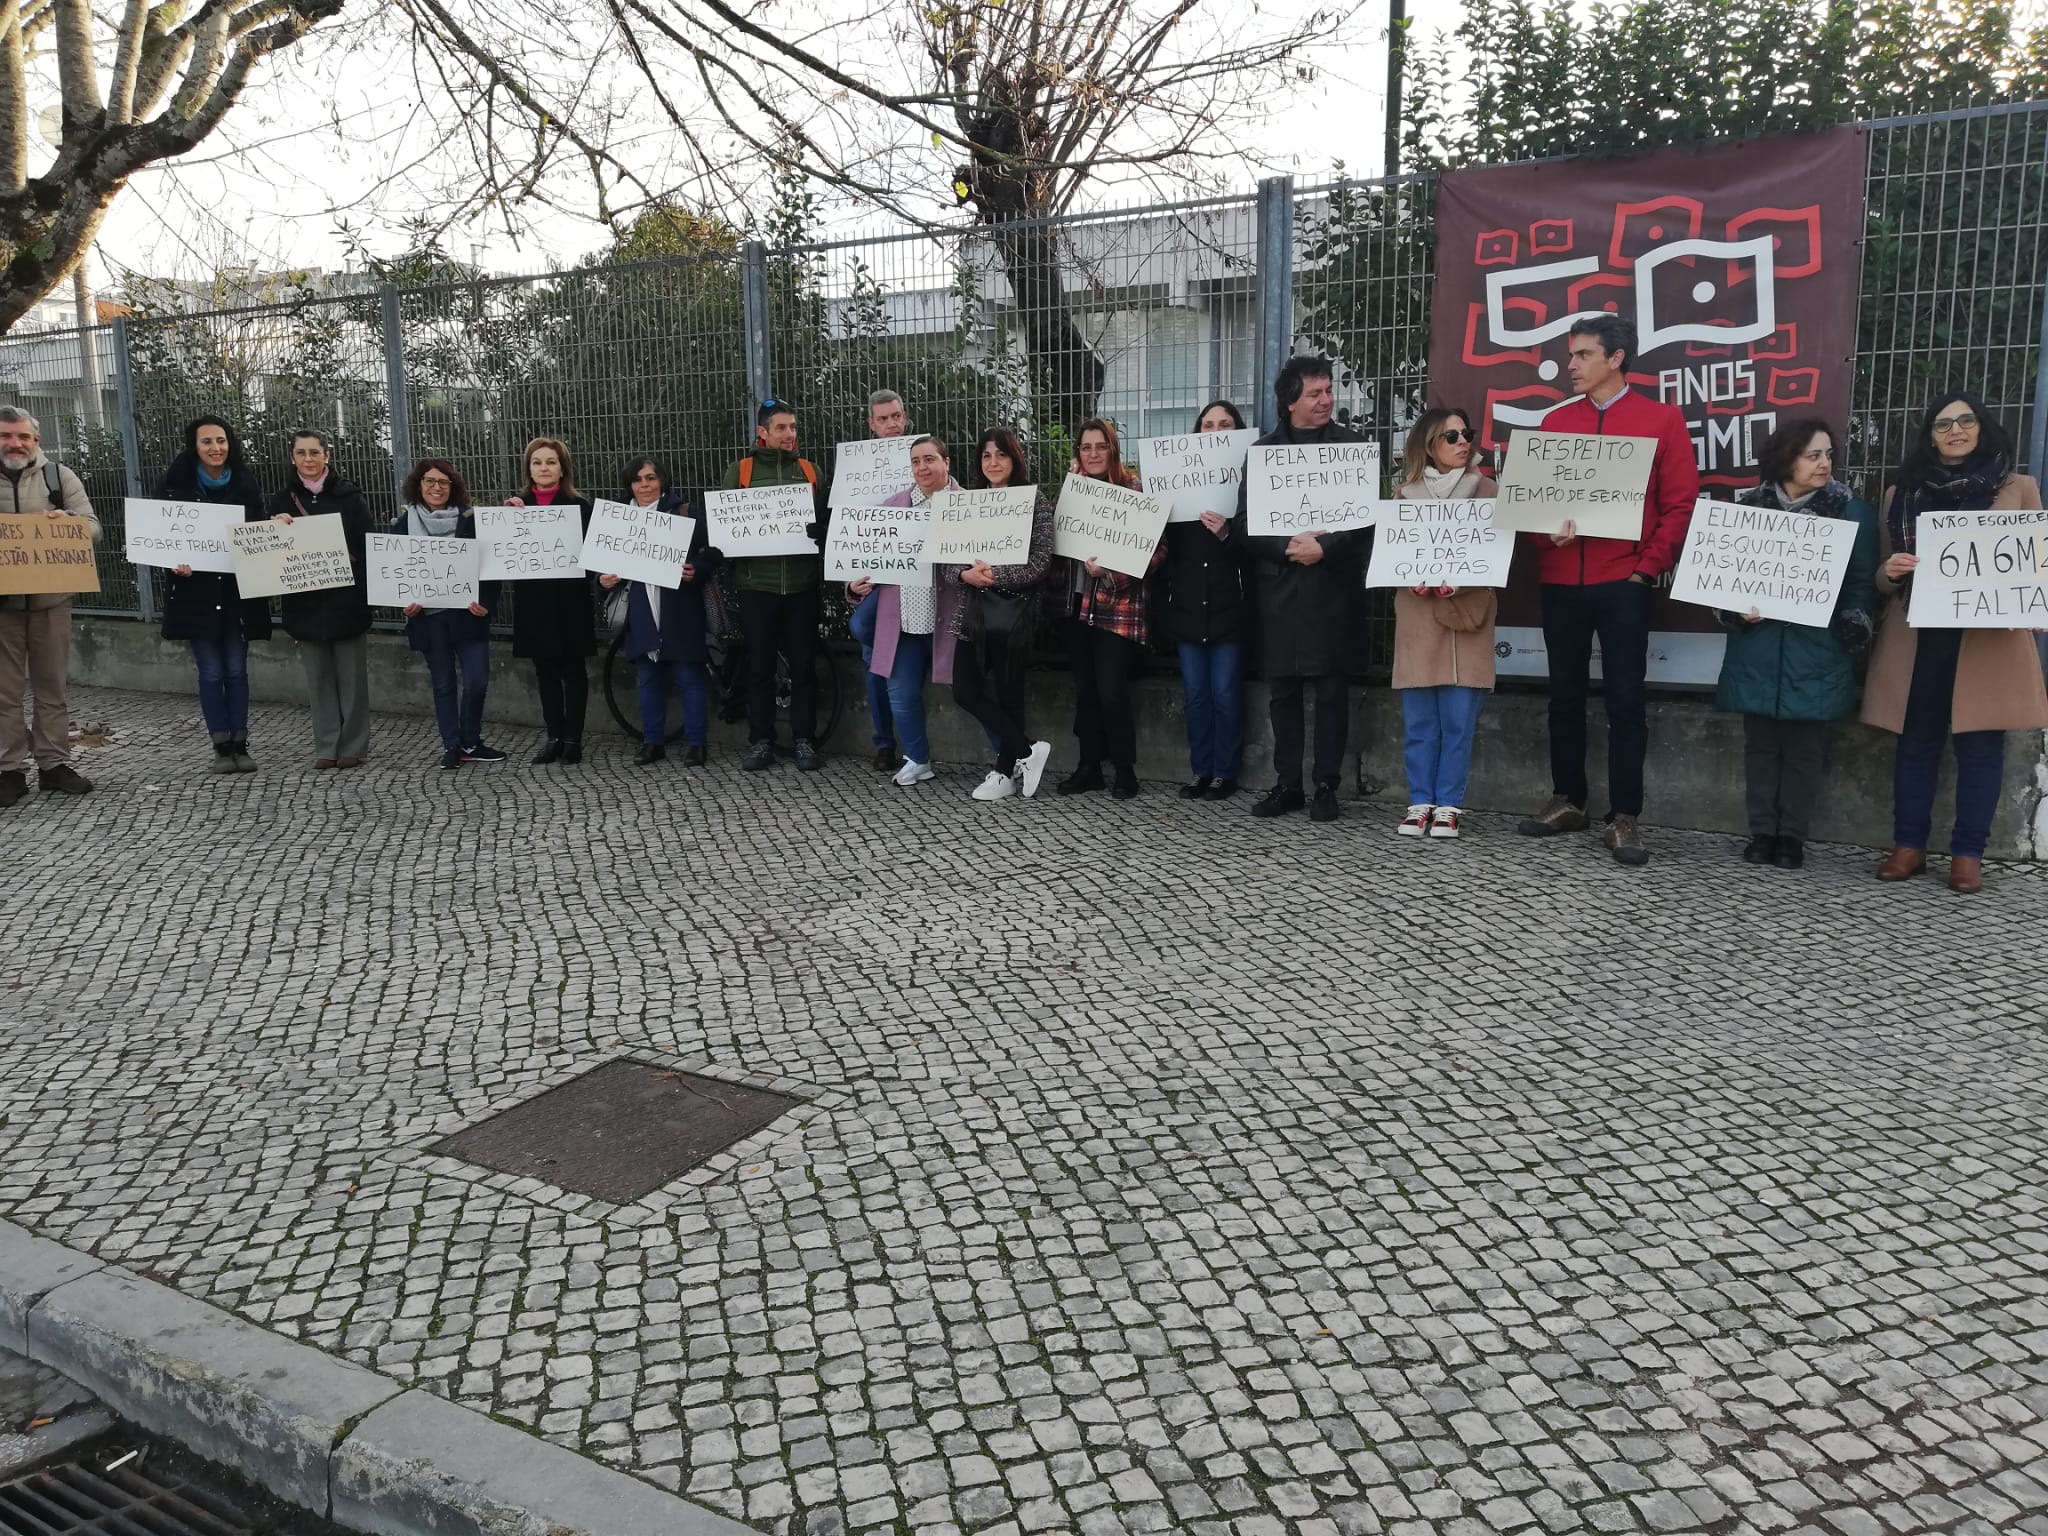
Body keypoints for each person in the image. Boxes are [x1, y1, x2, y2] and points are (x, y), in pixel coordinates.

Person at [1514, 315, 1697, 866]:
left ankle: (1625, 816)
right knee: (1564, 695)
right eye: (1571, 356)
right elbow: (1528, 504)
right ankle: (1568, 799)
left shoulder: (1661, 420)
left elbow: (1680, 504)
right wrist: (1544, 535)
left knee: (1625, 700)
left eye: (1584, 355)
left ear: (1616, 359)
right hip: (1561, 581)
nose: (1570, 365)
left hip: (1624, 582)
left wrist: (1646, 569)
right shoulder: (1555, 422)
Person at [1863, 393, 2047, 893]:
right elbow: (1881, 574)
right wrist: (1890, 571)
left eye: (1966, 420)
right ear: (1930, 433)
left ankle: (1969, 853)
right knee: (1915, 742)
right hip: (1918, 637)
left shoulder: (2018, 487)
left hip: (1986, 642)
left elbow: (2031, 564)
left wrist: (2033, 603)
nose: (1956, 429)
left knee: (1982, 747)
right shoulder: (1900, 492)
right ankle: (1908, 846)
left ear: (1983, 427)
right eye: (1943, 423)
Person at [1714, 420, 1878, 869]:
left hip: (1817, 649)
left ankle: (1792, 838)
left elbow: (1861, 583)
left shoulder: (1850, 512)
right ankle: (1761, 832)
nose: (1825, 464)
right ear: (1787, 458)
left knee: (1806, 750)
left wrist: (1850, 627)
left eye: (1828, 455)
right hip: (1759, 647)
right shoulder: (1748, 507)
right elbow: (1725, 580)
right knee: (1760, 747)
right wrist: (1733, 609)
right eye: (1813, 455)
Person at [1238, 357, 1368, 823]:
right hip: (1279, 592)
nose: (1326, 400)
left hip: (1332, 591)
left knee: (1332, 691)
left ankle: (1327, 786)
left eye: (1328, 390)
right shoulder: (1262, 452)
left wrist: (1325, 548)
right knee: (1283, 693)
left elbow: (1365, 519)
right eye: (1315, 393)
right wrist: (1287, 549)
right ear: (1290, 400)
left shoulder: (1351, 447)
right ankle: (1287, 783)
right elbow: (1245, 523)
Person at [1392, 408, 1497, 840]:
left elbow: (1496, 556)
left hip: (1468, 619)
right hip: (1418, 619)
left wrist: (1459, 582)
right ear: (1428, 443)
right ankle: (1420, 801)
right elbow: (1392, 557)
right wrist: (1409, 577)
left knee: (1458, 721)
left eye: (1466, 433)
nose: (1462, 442)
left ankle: (1449, 804)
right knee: (1419, 721)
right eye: (1451, 435)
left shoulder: (1489, 491)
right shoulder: (1404, 494)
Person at [945, 427, 1055, 802]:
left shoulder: (1035, 502)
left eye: (1001, 454)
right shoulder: (968, 503)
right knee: (965, 690)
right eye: (987, 455)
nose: (993, 462)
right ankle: (1027, 751)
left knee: (1009, 695)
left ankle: (1005, 771)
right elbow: (946, 559)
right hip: (972, 615)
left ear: (1015, 459)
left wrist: (996, 575)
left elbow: (1042, 561)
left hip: (1014, 614)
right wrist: (964, 573)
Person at [155, 415, 269, 774]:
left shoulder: (247, 485)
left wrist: (276, 530)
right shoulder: (173, 486)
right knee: (210, 672)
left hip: (238, 591)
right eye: (207, 442)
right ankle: (221, 746)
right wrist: (175, 563)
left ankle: (241, 742)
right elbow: (161, 538)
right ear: (194, 446)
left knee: (236, 670)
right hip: (196, 593)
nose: (216, 448)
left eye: (221, 440)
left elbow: (260, 533)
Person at [0, 405, 100, 806]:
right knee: (3, 692)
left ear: (36, 440)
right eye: (6, 436)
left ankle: (53, 764)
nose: (15, 443)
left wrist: (67, 521)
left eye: (23, 436)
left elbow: (94, 527)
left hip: (50, 600)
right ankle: (9, 769)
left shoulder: (59, 477)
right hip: (2, 604)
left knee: (51, 686)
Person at [721, 399, 827, 772]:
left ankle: (803, 740)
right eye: (781, 428)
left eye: (794, 427)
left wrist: (822, 531)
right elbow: (726, 526)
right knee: (760, 668)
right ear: (762, 433)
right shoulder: (742, 471)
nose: (790, 434)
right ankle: (761, 741)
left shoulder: (810, 471)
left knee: (803, 667)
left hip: (801, 585)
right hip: (757, 586)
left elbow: (826, 520)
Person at [1058, 418, 1160, 800]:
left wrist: (1112, 572)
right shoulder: (1074, 490)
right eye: (1086, 447)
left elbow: (1156, 551)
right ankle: (1089, 767)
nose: (1094, 454)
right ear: (1079, 453)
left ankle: (1124, 769)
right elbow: (1058, 538)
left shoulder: (1133, 489)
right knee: (1085, 690)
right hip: (1078, 607)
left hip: (1119, 609)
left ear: (1113, 449)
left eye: (1101, 446)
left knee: (1112, 690)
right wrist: (1071, 488)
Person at [602, 456, 720, 767]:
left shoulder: (684, 514)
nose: (645, 485)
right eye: (638, 479)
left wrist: (696, 568)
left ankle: (697, 744)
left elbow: (712, 553)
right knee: (647, 680)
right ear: (630, 484)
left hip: (679, 609)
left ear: (662, 481)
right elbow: (598, 564)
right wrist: (603, 578)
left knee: (689, 678)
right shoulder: (616, 520)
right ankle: (652, 742)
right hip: (641, 609)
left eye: (651, 478)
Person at [858, 435, 961, 787]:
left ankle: (1006, 758)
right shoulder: (893, 505)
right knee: (900, 696)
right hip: (905, 621)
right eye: (916, 461)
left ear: (947, 463)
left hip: (953, 621)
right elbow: (868, 561)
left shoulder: (969, 504)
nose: (922, 467)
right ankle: (918, 760)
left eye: (930, 459)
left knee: (976, 692)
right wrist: (853, 585)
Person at [1162, 400, 1251, 800]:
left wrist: (1228, 535)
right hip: (1187, 609)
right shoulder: (1178, 487)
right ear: (1197, 433)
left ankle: (1225, 772)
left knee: (1226, 693)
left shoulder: (1248, 486)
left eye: (1225, 425)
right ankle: (1201, 770)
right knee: (1196, 695)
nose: (1215, 431)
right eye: (1208, 425)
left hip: (1230, 609)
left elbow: (1257, 551)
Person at [270, 429, 372, 768]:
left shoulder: (350, 497)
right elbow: (269, 553)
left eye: (314, 452)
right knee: (319, 681)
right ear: (292, 457)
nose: (308, 459)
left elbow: (367, 545)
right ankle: (326, 745)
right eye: (301, 453)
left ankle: (353, 745)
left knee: (352, 681)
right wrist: (274, 528)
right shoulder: (281, 500)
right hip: (304, 604)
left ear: (326, 455)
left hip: (347, 600)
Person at [393, 459, 503, 771]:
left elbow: (491, 568)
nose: (436, 487)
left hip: (468, 614)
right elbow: (394, 572)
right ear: (419, 484)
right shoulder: (402, 526)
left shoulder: (471, 521)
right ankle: (452, 745)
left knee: (477, 680)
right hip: (428, 618)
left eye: (443, 482)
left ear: (453, 487)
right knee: (443, 684)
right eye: (430, 481)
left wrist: (486, 602)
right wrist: (404, 603)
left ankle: (471, 741)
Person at [504, 437, 596, 765]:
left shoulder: (581, 507)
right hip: (534, 603)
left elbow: (593, 556)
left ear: (562, 469)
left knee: (573, 670)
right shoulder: (515, 508)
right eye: (538, 462)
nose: (544, 468)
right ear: (529, 469)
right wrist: (507, 522)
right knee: (545, 672)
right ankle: (553, 736)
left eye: (551, 462)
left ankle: (573, 739)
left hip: (571, 601)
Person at [849, 388, 908, 771]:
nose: (891, 424)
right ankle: (885, 744)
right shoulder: (857, 468)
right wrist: (850, 583)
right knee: (874, 657)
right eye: (883, 418)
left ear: (905, 417)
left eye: (896, 416)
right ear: (871, 424)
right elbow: (847, 532)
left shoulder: (923, 455)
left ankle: (910, 744)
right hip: (876, 579)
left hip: (916, 578)